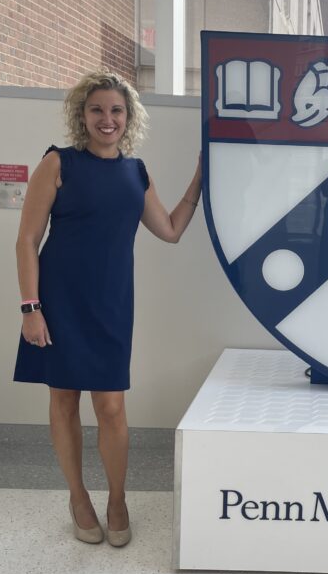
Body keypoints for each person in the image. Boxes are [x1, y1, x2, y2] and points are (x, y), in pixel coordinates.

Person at [13, 70, 201, 547]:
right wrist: (30, 307)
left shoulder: (135, 172)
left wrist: (200, 179)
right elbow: (27, 240)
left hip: (112, 302)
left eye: (116, 110)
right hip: (58, 300)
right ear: (82, 114)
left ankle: (117, 500)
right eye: (97, 109)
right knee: (63, 400)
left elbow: (172, 229)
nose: (107, 118)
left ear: (129, 117)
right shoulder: (58, 164)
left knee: (112, 407)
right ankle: (78, 497)